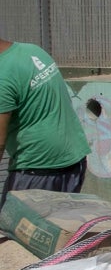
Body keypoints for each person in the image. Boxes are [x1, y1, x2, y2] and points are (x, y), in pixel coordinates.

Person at [0, 37, 91, 212]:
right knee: (60, 229)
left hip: (37, 169)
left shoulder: (3, 75)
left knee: (17, 230)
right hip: (74, 160)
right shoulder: (32, 51)